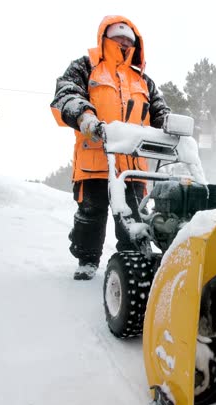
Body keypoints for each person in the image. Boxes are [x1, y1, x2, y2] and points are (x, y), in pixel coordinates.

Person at [50, 16, 170, 280]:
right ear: (106, 39)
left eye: (129, 40)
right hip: (95, 160)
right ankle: (87, 260)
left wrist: (172, 129)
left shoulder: (143, 81)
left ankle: (132, 265)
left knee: (133, 219)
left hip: (134, 166)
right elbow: (66, 94)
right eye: (119, 38)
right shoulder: (87, 67)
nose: (124, 43)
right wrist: (85, 116)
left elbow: (161, 113)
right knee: (91, 215)